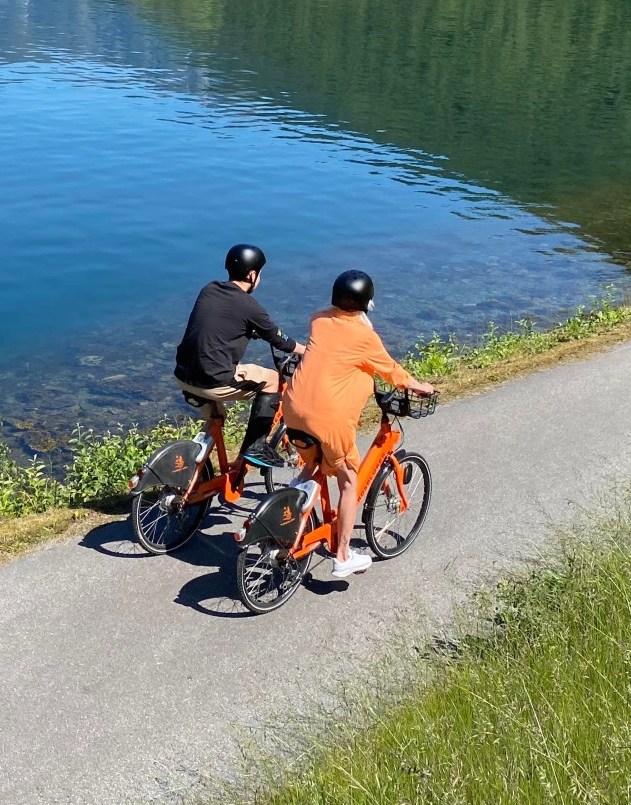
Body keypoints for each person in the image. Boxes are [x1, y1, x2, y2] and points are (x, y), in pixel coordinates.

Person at [282, 269, 436, 578]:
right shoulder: (365, 337)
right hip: (328, 420)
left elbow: (331, 327)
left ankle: (292, 501)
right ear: (366, 303)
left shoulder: (319, 321)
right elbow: (391, 371)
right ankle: (342, 555)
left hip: (293, 410)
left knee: (313, 463)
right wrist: (419, 386)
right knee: (349, 480)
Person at [174, 244, 304, 467]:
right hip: (213, 380)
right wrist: (309, 351)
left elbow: (219, 321)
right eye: (260, 273)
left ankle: (197, 474)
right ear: (252, 275)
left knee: (217, 419)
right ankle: (254, 447)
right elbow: (280, 340)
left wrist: (246, 329)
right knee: (272, 380)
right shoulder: (250, 307)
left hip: (183, 376)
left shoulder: (209, 289)